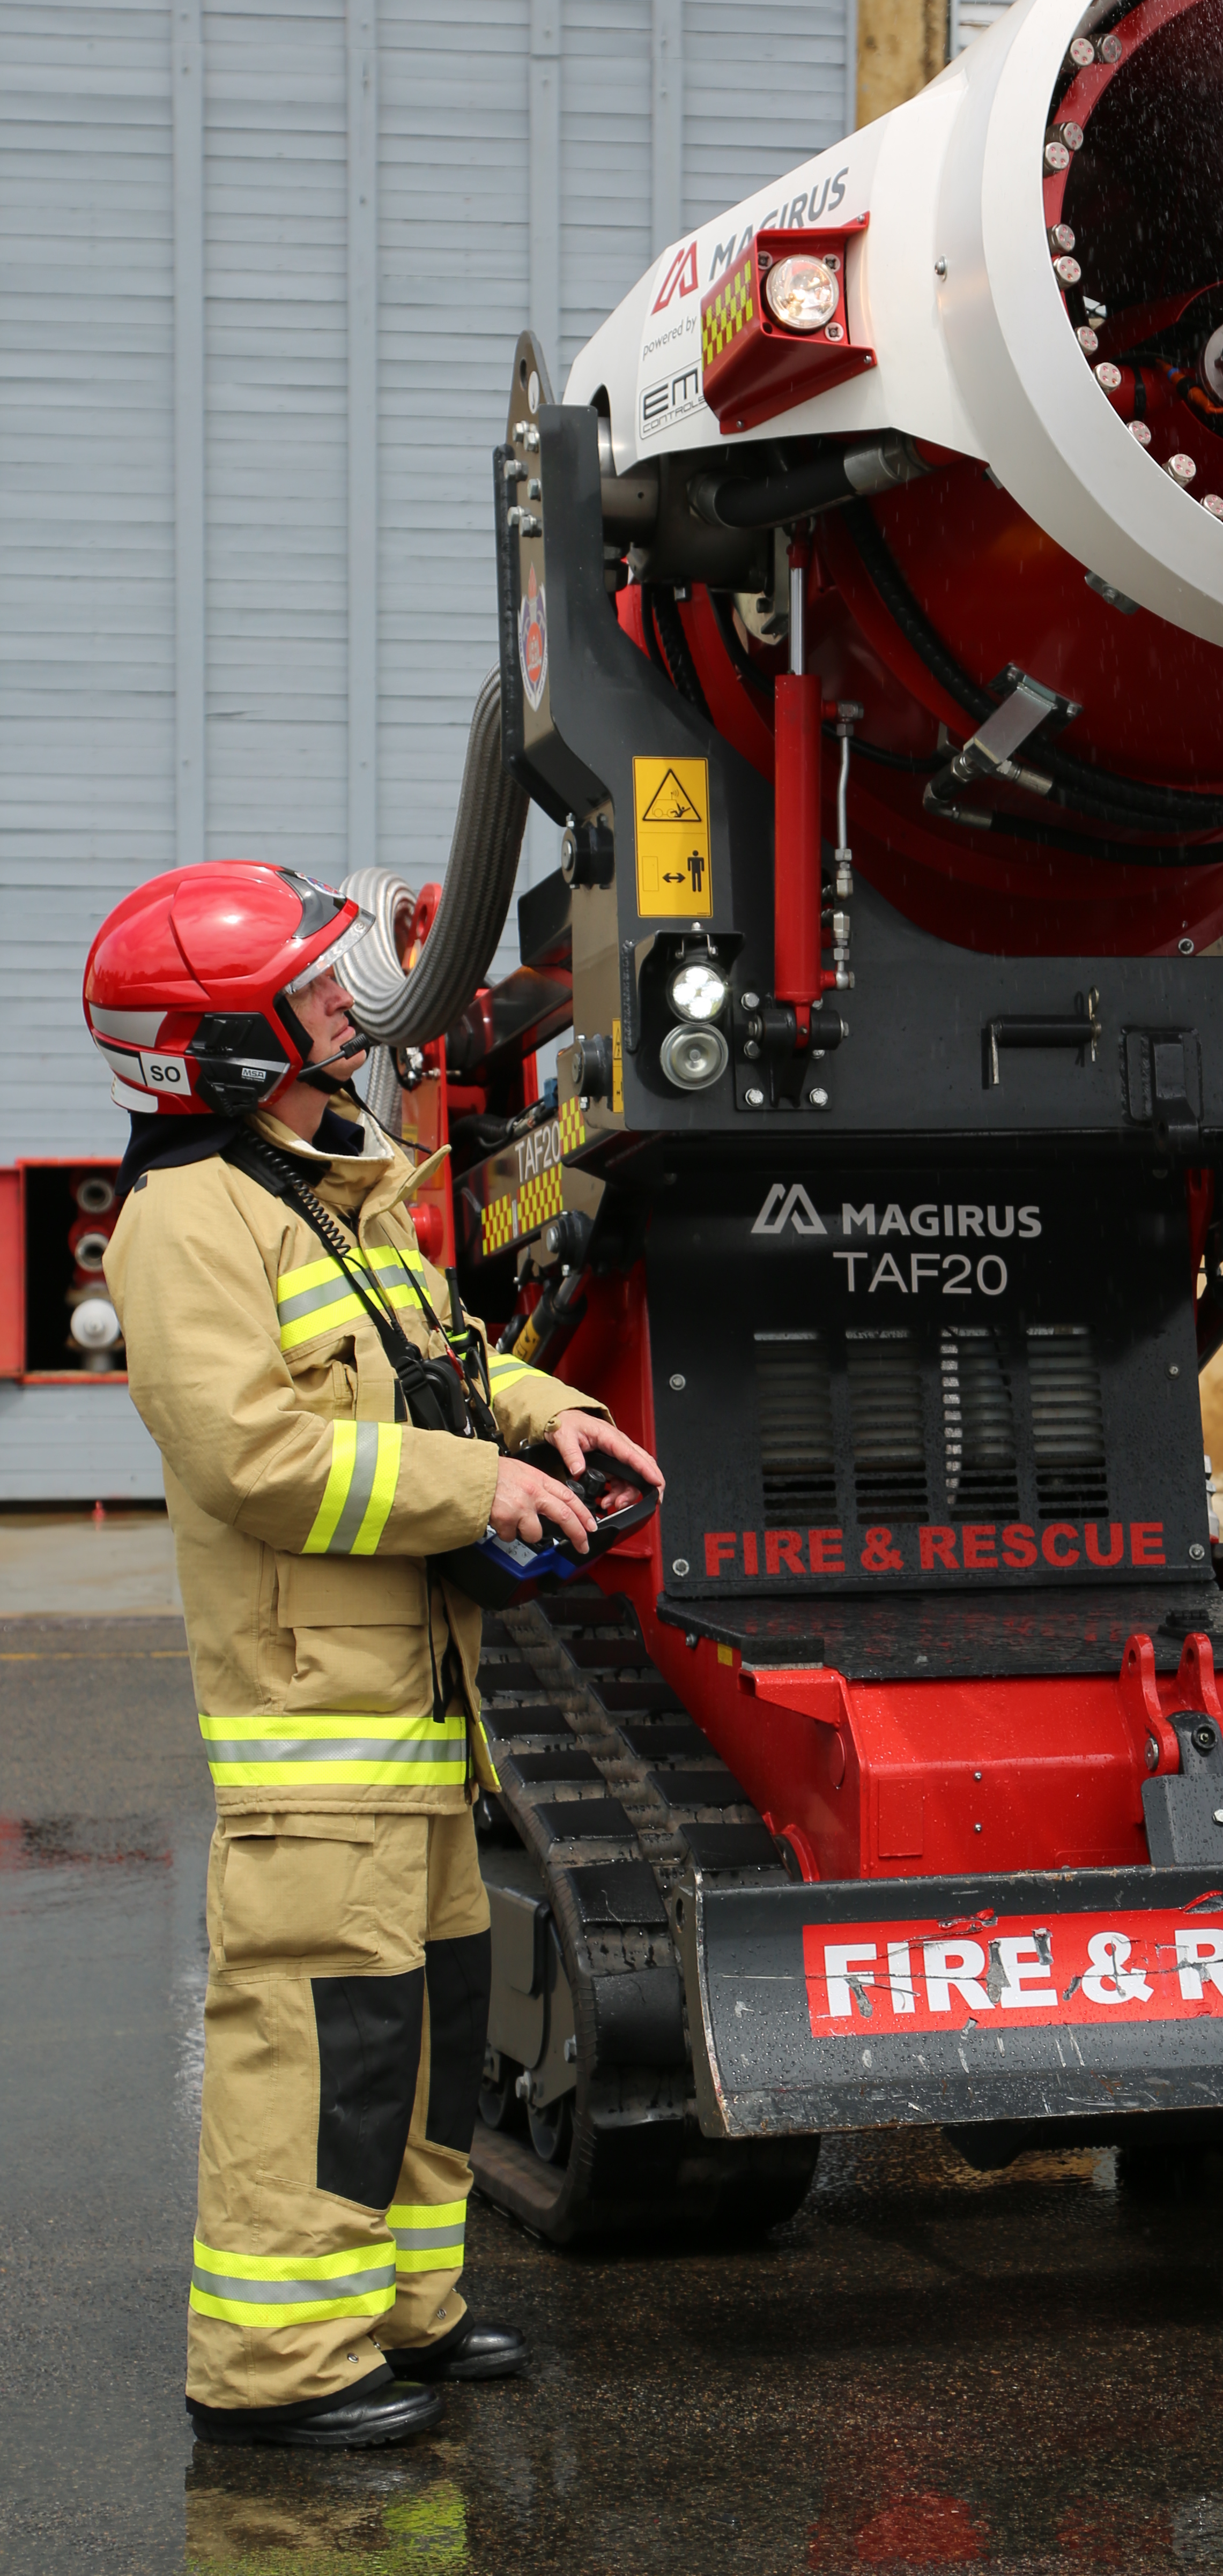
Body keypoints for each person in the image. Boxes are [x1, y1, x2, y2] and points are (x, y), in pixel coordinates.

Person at [91, 861, 665, 2451]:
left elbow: (447, 1360)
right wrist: (486, 1486)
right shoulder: (185, 1222)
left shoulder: (332, 1191)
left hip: (416, 1716)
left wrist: (561, 1421)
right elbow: (257, 1457)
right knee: (312, 2043)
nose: (354, 1013)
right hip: (313, 1731)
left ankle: (403, 2312)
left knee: (421, 2037)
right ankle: (274, 2372)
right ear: (217, 1050)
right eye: (319, 996)